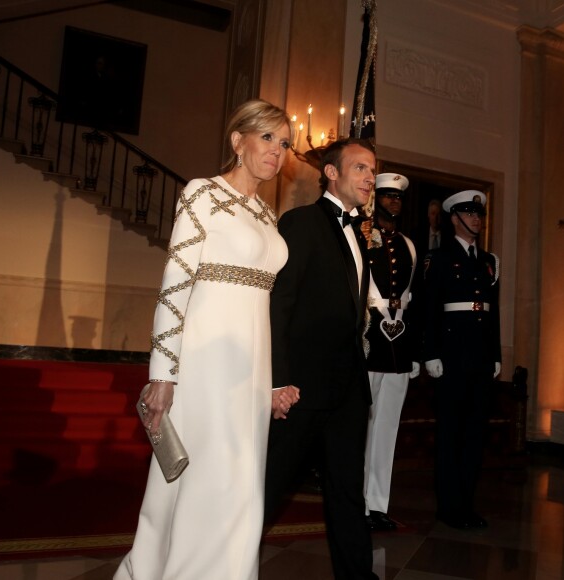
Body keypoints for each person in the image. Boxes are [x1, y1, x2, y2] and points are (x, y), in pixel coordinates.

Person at [114, 99, 293, 580]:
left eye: (284, 143)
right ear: (238, 141)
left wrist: (271, 385)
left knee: (244, 486)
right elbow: (175, 286)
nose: (278, 151)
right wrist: (163, 373)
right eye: (267, 138)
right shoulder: (202, 194)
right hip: (206, 363)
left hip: (251, 372)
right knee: (213, 485)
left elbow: (264, 310)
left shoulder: (267, 214)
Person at [264, 138, 379, 580]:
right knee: (272, 484)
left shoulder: (360, 235)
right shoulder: (301, 222)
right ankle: (223, 565)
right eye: (361, 168)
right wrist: (279, 379)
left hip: (348, 389)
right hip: (302, 388)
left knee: (348, 491)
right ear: (331, 173)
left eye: (372, 169)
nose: (371, 177)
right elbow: (280, 304)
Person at [422, 189, 501, 530]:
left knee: (474, 434)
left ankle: (466, 504)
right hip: (451, 356)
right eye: (469, 214)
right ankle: (448, 506)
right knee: (450, 433)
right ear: (454, 218)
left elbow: (492, 311)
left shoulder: (487, 261)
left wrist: (496, 354)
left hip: (480, 358)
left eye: (478, 214)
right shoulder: (439, 258)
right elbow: (428, 309)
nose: (476, 219)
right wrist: (429, 354)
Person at [362, 172, 420, 532]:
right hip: (369, 340)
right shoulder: (361, 238)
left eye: (398, 198)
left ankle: (377, 504)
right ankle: (355, 500)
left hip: (398, 346)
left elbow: (415, 301)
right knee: (361, 426)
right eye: (387, 196)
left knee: (386, 429)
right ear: (375, 199)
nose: (394, 202)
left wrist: (414, 351)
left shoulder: (409, 246)